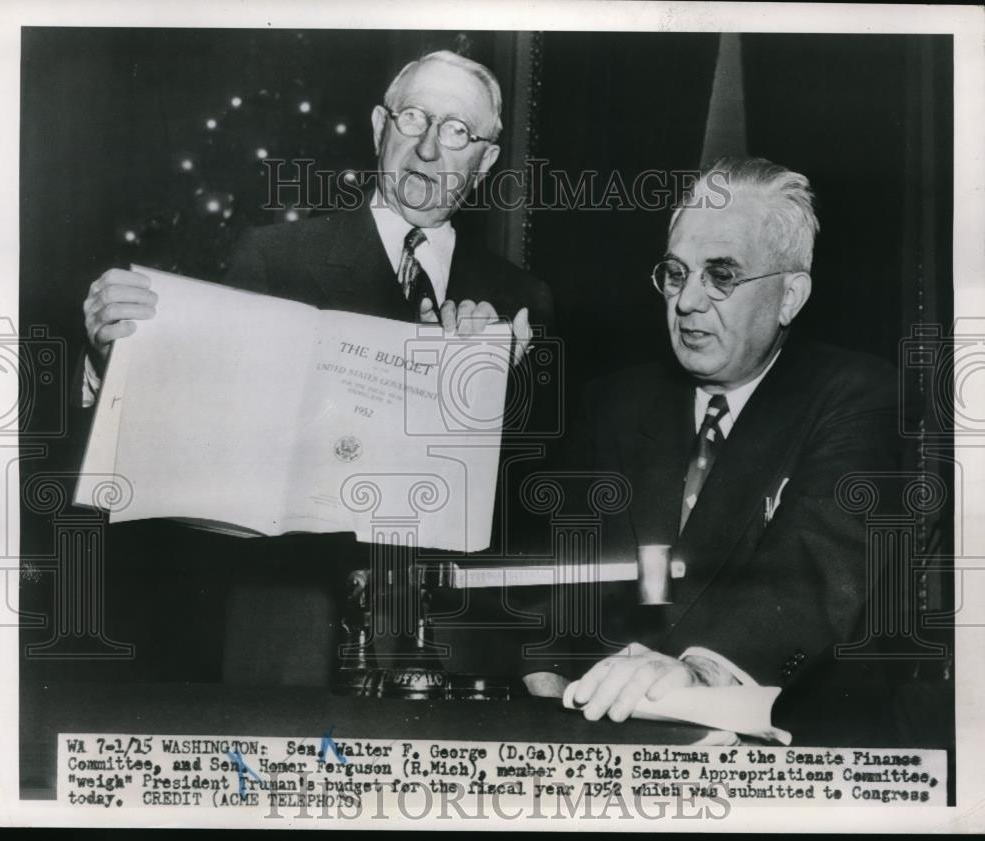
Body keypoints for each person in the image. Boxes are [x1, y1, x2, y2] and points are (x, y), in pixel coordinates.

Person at [78, 50, 555, 684]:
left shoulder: (523, 299)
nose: (430, 148)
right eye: (413, 118)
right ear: (379, 126)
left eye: (458, 131)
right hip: (293, 644)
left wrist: (498, 391)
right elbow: (202, 439)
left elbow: (537, 504)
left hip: (454, 653)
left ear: (487, 158)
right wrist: (115, 358)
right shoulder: (276, 258)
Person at [524, 157, 902, 742]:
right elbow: (557, 586)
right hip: (605, 739)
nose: (687, 302)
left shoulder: (859, 397)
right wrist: (543, 695)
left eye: (721, 275)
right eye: (677, 274)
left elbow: (817, 569)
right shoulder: (614, 404)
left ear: (789, 297)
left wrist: (701, 671)